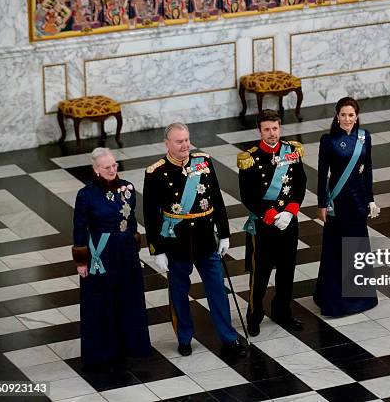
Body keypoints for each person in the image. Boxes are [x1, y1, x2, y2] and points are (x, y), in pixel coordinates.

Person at [143, 122, 246, 357]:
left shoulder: (203, 162)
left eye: (187, 140)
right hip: (176, 241)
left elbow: (217, 199)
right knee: (179, 292)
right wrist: (157, 249)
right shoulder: (156, 172)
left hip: (205, 237)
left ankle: (229, 337)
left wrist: (225, 234)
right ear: (167, 144)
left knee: (217, 290)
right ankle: (184, 337)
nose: (185, 145)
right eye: (179, 141)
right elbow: (150, 215)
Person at [72, 147, 151, 371]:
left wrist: (135, 247)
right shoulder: (86, 195)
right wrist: (81, 261)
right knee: (101, 303)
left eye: (114, 165)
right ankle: (102, 352)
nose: (112, 170)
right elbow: (79, 228)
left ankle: (131, 346)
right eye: (106, 167)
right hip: (101, 253)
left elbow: (132, 220)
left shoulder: (128, 188)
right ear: (96, 169)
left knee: (129, 299)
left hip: (125, 251)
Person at [237, 109, 307, 336]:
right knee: (260, 274)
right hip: (264, 224)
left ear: (280, 128)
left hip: (288, 221)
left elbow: (299, 184)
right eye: (267, 129)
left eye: (275, 128)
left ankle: (282, 312)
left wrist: (290, 212)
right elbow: (247, 195)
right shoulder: (250, 158)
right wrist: (271, 216)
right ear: (260, 130)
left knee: (287, 271)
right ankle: (254, 315)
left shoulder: (291, 152)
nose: (272, 133)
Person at [315, 97, 380, 317]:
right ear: (337, 116)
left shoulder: (365, 137)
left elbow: (368, 168)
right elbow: (322, 173)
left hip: (359, 200)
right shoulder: (328, 140)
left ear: (357, 116)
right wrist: (322, 203)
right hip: (338, 200)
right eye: (343, 114)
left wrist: (371, 199)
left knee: (357, 246)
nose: (347, 119)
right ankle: (334, 299)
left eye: (351, 115)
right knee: (337, 248)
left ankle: (360, 296)